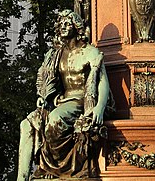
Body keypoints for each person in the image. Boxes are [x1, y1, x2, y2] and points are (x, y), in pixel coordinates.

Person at [17, 10, 112, 180]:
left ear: (77, 27)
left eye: (67, 24)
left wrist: (99, 107)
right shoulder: (57, 54)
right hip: (60, 101)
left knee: (55, 120)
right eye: (60, 24)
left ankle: (54, 170)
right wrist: (44, 97)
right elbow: (49, 81)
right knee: (26, 124)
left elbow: (102, 83)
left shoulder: (91, 52)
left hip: (80, 101)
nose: (63, 27)